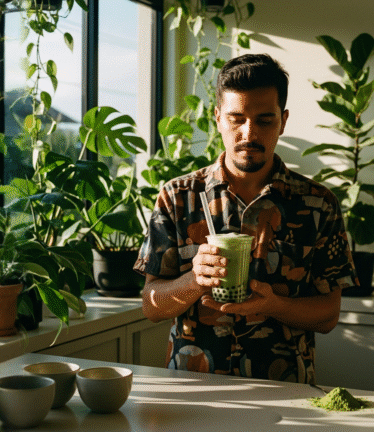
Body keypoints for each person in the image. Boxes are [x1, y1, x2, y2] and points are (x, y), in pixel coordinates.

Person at [133, 53, 358, 384]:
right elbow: (151, 307)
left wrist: (273, 305)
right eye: (236, 119)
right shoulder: (178, 197)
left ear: (283, 121)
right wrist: (194, 280)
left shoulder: (318, 204)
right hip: (192, 389)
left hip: (285, 391)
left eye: (264, 120)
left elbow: (328, 315)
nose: (249, 133)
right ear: (218, 118)